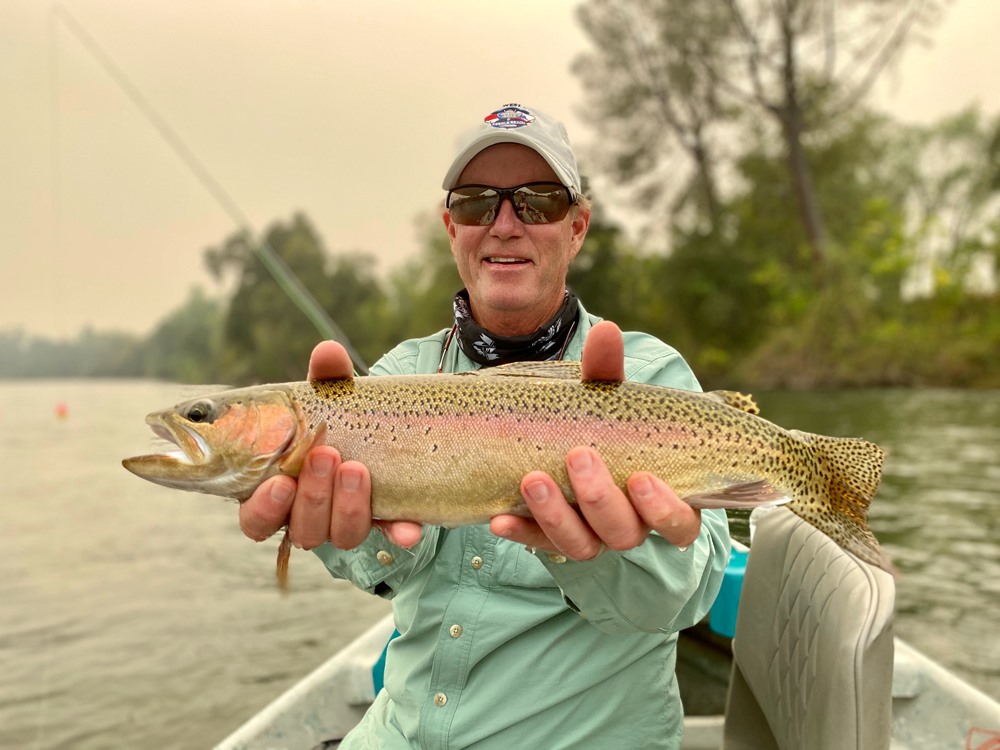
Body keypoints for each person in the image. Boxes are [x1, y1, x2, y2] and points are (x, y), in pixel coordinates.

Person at [240, 103, 730, 749]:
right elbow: (376, 566)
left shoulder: (646, 374)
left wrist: (613, 551)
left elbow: (689, 593)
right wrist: (341, 535)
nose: (504, 225)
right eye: (476, 204)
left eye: (537, 202)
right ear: (451, 227)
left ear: (577, 227)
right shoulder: (391, 380)